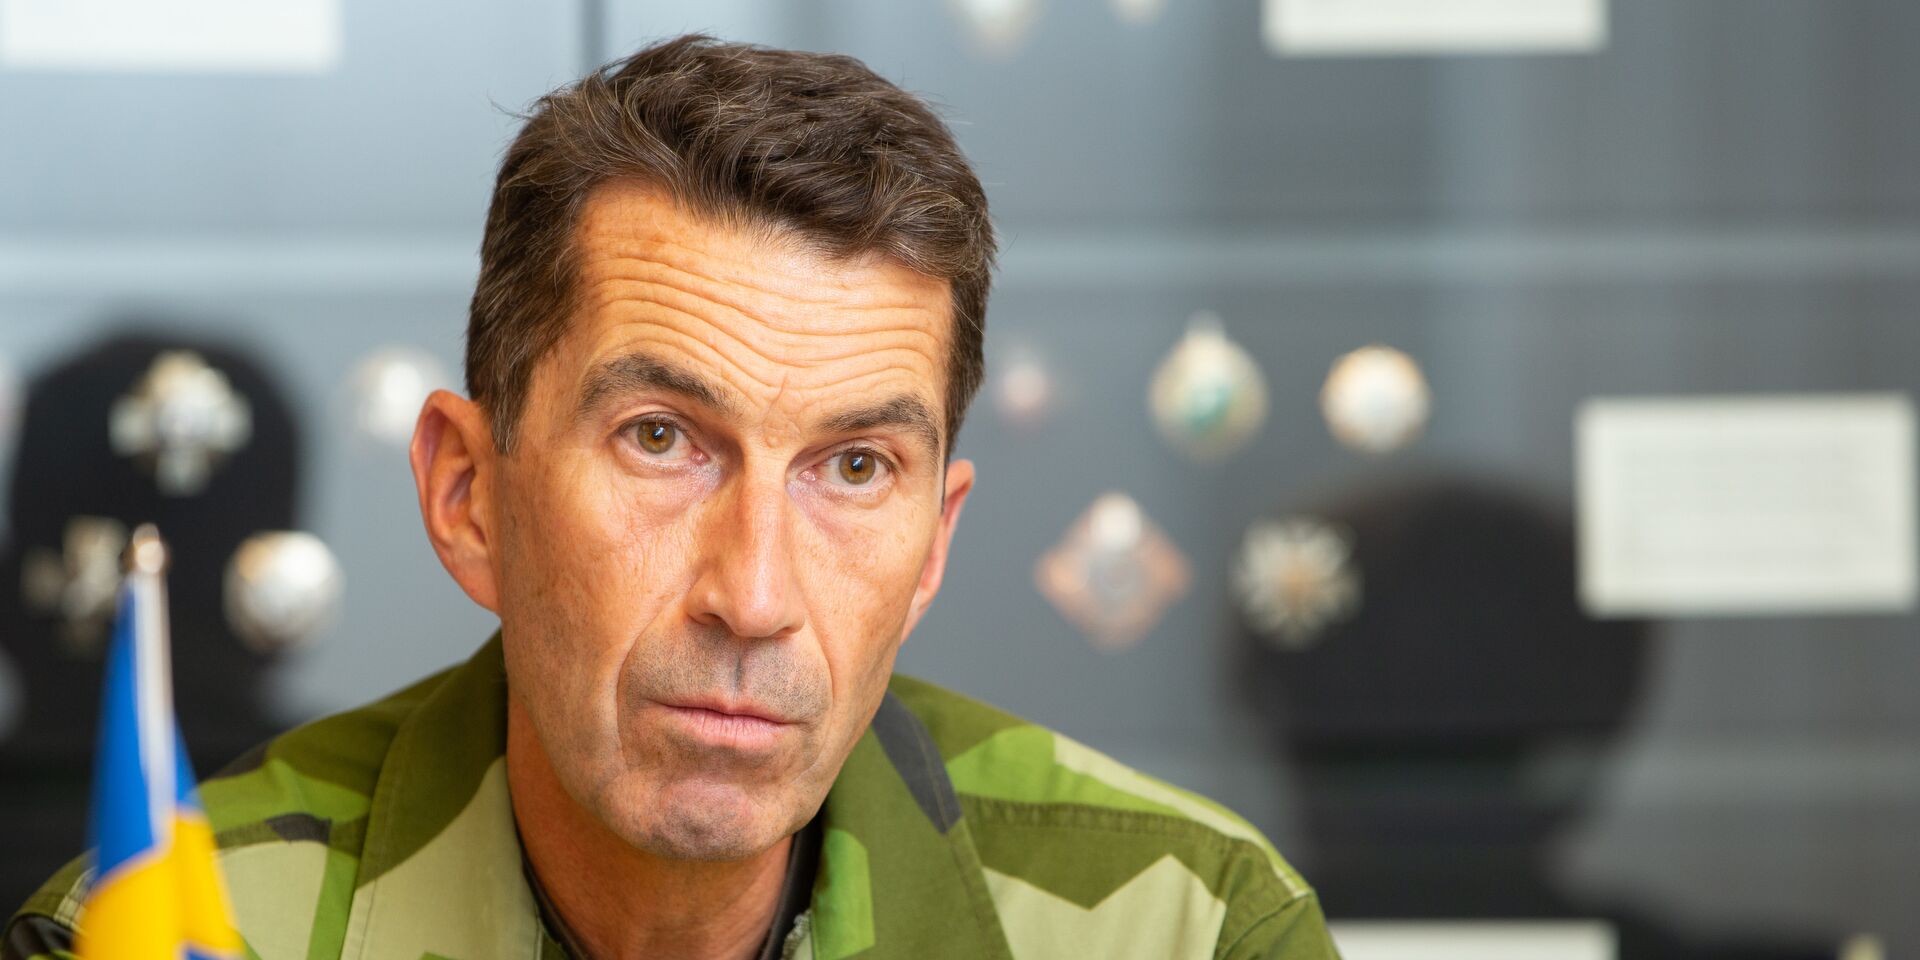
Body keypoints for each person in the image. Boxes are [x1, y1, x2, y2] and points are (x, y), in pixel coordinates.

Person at [6, 35, 1336, 960]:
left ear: (935, 545)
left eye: (855, 467)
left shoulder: (1190, 928)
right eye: (661, 440)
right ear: (469, 494)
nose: (752, 597)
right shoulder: (173, 932)